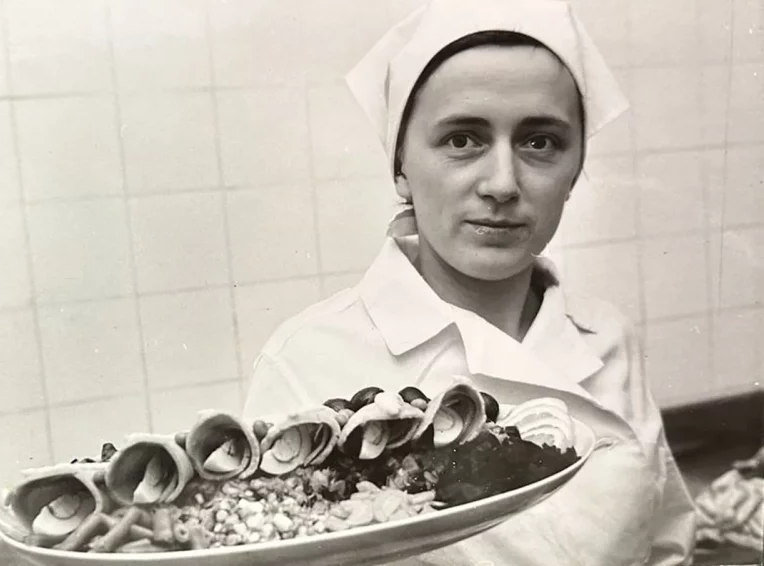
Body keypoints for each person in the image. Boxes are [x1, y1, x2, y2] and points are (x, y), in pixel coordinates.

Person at [243, 0, 697, 564]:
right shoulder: (308, 361)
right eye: (462, 139)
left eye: (540, 142)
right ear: (402, 166)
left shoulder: (608, 338)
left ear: (576, 168)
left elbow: (665, 544)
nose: (503, 183)